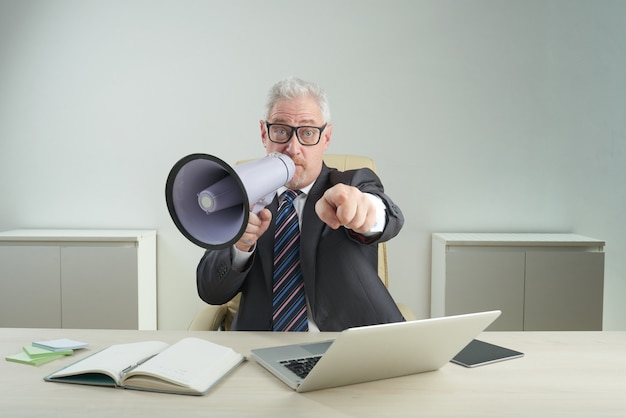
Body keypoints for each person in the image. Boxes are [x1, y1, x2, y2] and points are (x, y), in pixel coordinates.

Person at [196, 77, 405, 331]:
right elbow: (210, 291)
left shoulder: (351, 183)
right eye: (282, 131)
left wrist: (368, 211)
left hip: (343, 352)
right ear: (265, 133)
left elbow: (389, 217)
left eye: (307, 132)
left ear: (325, 138)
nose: (292, 148)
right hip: (260, 349)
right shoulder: (242, 195)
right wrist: (239, 248)